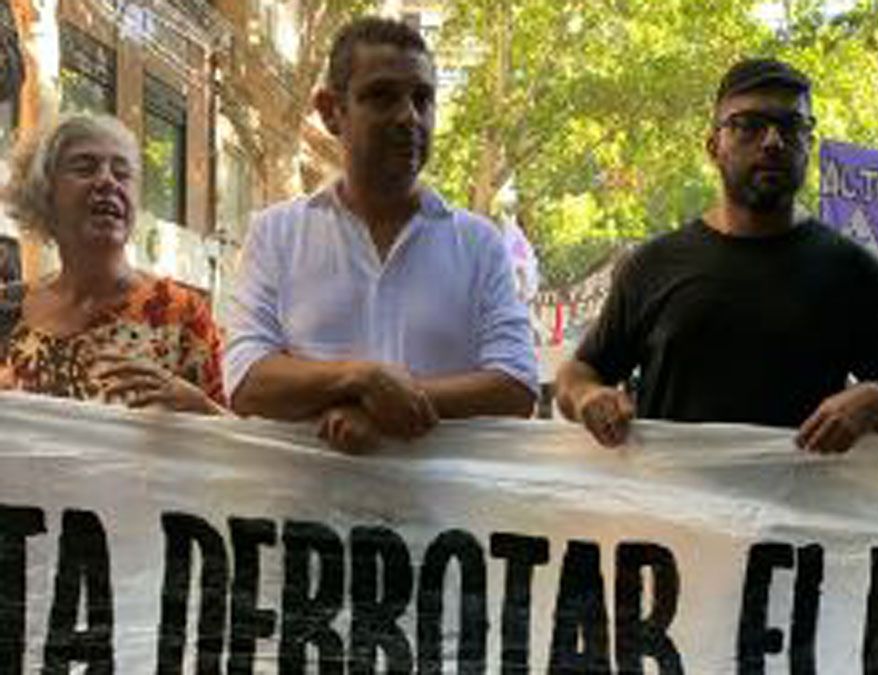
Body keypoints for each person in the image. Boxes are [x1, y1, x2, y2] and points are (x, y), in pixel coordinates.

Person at [555, 58, 878, 450]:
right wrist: (588, 398)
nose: (773, 141)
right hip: (670, 508)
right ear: (713, 146)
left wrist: (876, 400)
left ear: (809, 144)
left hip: (805, 508)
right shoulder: (652, 265)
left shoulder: (851, 271)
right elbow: (579, 373)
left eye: (791, 126)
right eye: (749, 125)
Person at [223, 17, 537, 453]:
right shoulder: (276, 234)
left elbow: (516, 385)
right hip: (307, 516)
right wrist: (361, 378)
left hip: (441, 518)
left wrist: (379, 410)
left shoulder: (479, 243)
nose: (409, 116)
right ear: (331, 110)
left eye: (423, 99)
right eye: (382, 96)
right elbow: (246, 380)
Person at [0, 114, 224, 413]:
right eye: (84, 168)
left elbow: (233, 446)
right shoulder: (7, 309)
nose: (107, 181)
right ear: (43, 194)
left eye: (122, 173)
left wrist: (202, 410)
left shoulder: (181, 314)